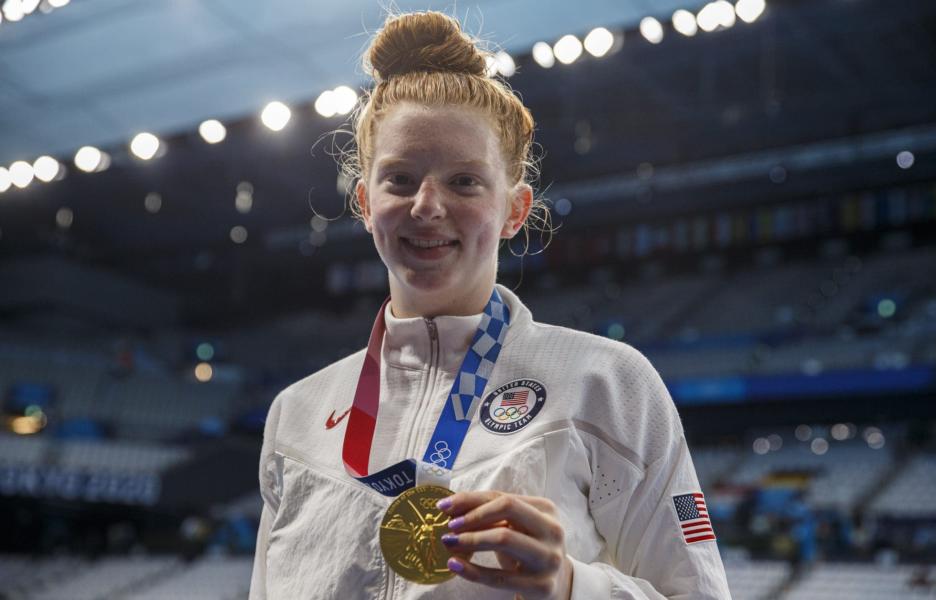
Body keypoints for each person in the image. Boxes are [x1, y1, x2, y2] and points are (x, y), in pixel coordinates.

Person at [251, 10, 731, 599]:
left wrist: (571, 585)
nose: (427, 205)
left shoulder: (607, 383)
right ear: (364, 203)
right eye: (400, 179)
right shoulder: (295, 415)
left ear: (514, 210)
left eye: (464, 182)